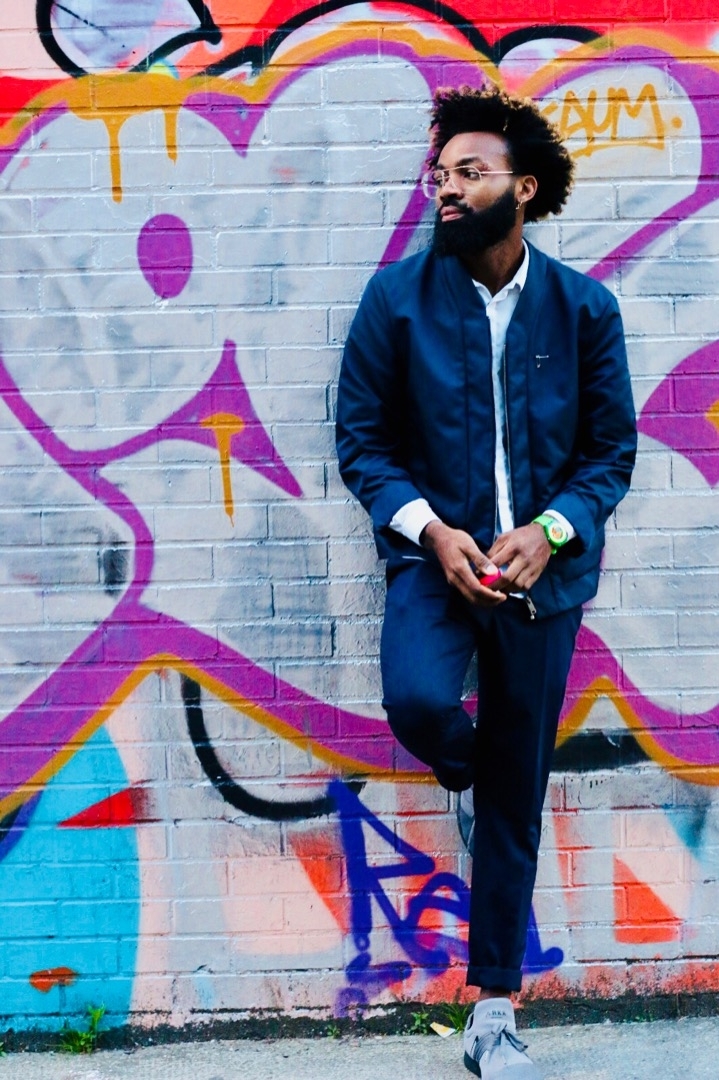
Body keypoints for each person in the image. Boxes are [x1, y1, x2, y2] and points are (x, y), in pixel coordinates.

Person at [335, 86, 637, 1076]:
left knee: (514, 804)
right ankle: (472, 773)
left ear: (524, 187)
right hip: (436, 565)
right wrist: (432, 533)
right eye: (440, 176)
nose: (448, 190)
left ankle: (493, 1012)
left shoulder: (583, 309)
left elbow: (610, 454)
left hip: (543, 581)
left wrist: (551, 530)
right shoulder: (395, 301)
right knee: (419, 702)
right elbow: (362, 445)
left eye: (470, 173)